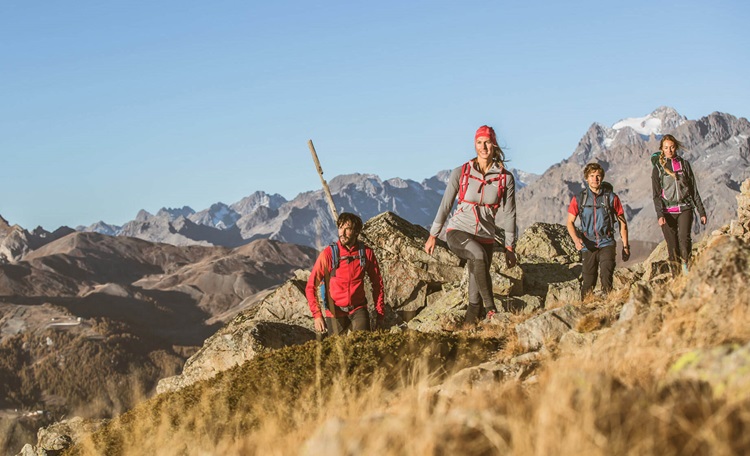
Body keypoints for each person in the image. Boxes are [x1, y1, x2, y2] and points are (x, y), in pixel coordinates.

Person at [424, 125, 517, 325]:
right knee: (478, 255)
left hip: (486, 236)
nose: (483, 147)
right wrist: (434, 234)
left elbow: (510, 214)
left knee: (474, 301)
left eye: (487, 142)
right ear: (474, 144)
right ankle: (492, 309)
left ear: (494, 144)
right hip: (458, 231)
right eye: (479, 142)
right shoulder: (462, 172)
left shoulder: (505, 178)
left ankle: (467, 339)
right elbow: (446, 204)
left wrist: (510, 247)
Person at [305, 212, 385, 335]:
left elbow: (377, 284)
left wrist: (379, 314)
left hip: (358, 309)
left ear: (356, 232)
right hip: (334, 312)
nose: (342, 233)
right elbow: (311, 286)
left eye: (347, 229)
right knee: (338, 351)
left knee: (361, 346)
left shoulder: (366, 253)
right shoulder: (328, 254)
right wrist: (317, 315)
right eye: (340, 228)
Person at [566, 162, 630, 299]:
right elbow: (569, 222)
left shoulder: (611, 197)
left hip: (606, 242)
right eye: (592, 176)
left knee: (606, 276)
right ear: (586, 178)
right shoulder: (579, 199)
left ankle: (609, 308)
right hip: (588, 243)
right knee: (588, 281)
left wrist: (625, 246)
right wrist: (576, 240)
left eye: (598, 176)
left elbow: (622, 223)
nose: (595, 179)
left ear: (602, 177)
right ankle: (585, 310)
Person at [651, 134, 707, 274]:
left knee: (684, 239)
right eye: (666, 148)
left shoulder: (684, 165)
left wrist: (702, 211)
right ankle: (676, 277)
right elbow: (656, 195)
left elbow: (693, 189)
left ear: (676, 147)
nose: (669, 150)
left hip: (685, 208)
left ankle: (687, 269)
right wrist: (660, 214)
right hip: (667, 212)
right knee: (672, 246)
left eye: (671, 147)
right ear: (661, 149)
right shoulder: (658, 169)